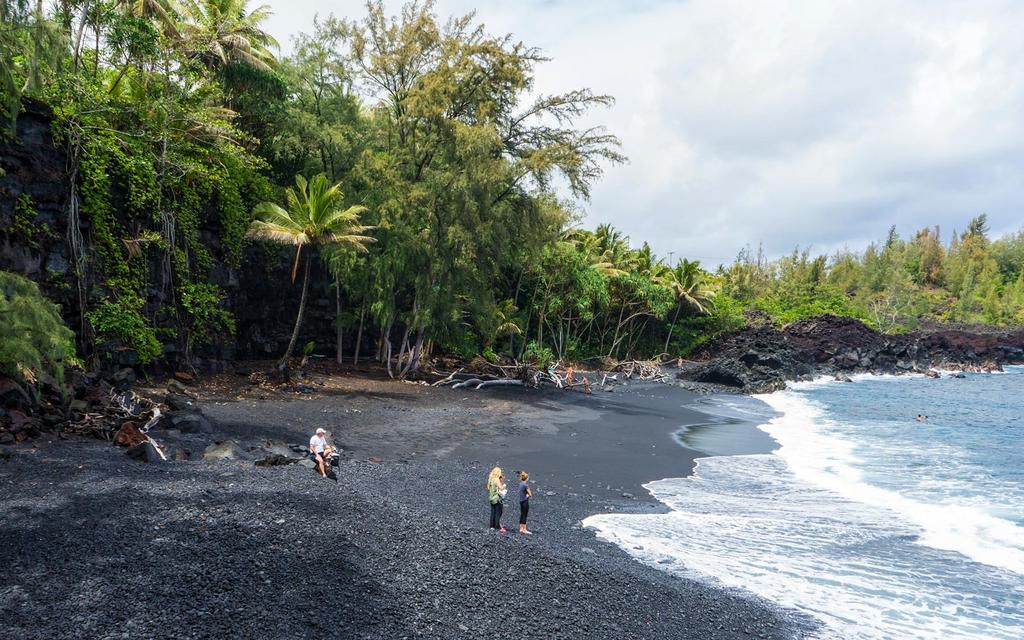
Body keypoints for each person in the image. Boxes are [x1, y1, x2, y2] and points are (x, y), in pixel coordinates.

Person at [487, 467, 507, 533]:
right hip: (497, 498)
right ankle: (497, 526)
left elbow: (488, 488)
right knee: (498, 512)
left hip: (491, 498)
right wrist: (504, 486)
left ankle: (491, 526)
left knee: (493, 512)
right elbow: (501, 488)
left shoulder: (490, 479)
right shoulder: (496, 479)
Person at [518, 471, 533, 535]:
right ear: (527, 478)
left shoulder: (521, 484)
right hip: (525, 501)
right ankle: (524, 529)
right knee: (525, 515)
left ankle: (521, 528)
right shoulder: (525, 485)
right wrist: (527, 495)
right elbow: (530, 494)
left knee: (522, 514)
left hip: (521, 501)